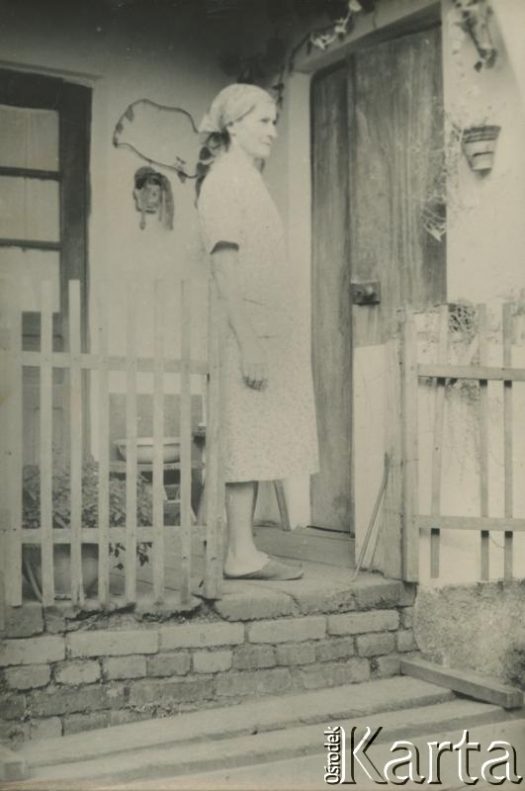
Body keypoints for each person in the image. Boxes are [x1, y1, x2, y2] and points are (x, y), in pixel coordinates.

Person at [197, 83, 319, 581]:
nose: (273, 131)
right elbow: (225, 271)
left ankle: (243, 551)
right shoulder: (225, 181)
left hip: (266, 328)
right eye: (263, 122)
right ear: (233, 126)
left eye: (275, 122)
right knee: (244, 440)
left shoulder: (249, 179)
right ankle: (241, 554)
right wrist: (248, 341)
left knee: (257, 438)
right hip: (248, 330)